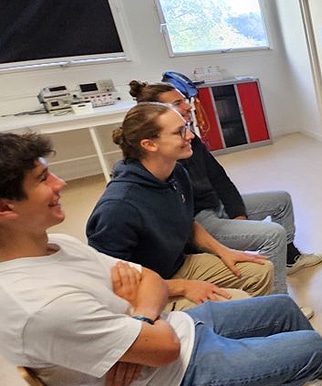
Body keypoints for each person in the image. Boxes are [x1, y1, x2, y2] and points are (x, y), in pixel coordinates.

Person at [0, 131, 322, 386]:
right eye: (43, 179)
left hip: (172, 331)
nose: (61, 183)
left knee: (282, 308)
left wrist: (140, 317)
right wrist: (141, 316)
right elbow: (164, 348)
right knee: (308, 349)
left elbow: (151, 280)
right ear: (5, 208)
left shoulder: (58, 245)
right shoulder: (39, 305)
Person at [128, 80, 322, 300]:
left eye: (183, 100)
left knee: (281, 200)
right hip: (201, 219)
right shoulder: (164, 159)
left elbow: (218, 177)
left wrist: (237, 211)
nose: (188, 106)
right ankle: (277, 300)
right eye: (177, 103)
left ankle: (289, 259)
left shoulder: (189, 139)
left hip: (215, 205)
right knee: (273, 234)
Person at [87, 102, 274, 311]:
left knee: (261, 270)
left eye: (186, 128)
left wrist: (224, 251)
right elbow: (112, 280)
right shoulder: (118, 207)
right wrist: (182, 287)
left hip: (177, 266)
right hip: (144, 292)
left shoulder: (176, 173)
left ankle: (257, 323)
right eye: (179, 132)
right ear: (149, 144)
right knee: (237, 300)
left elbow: (187, 222)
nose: (190, 136)